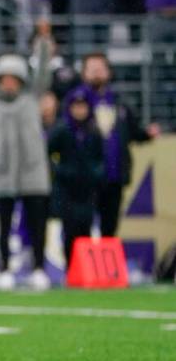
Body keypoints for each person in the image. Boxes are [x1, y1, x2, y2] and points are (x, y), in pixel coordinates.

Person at [0, 19, 53, 289]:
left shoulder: (32, 98)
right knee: (3, 224)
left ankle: (39, 268)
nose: (8, 83)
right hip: (3, 172)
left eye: (14, 78)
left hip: (33, 171)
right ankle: (4, 269)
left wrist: (42, 42)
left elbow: (43, 73)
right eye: (3, 78)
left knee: (38, 223)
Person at [70, 53, 160, 237]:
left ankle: (105, 263)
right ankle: (83, 263)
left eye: (100, 68)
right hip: (84, 177)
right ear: (83, 73)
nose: (96, 73)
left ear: (109, 72)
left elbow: (133, 132)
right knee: (81, 224)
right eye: (91, 68)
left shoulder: (119, 102)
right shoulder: (76, 101)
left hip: (114, 174)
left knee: (110, 224)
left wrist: (147, 134)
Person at [48, 89, 104, 267]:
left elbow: (101, 157)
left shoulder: (94, 131)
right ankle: (70, 267)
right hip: (67, 190)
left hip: (87, 190)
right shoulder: (62, 129)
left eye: (83, 106)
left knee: (86, 228)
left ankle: (85, 268)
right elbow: (46, 152)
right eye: (76, 106)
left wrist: (95, 173)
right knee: (69, 228)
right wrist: (59, 171)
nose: (80, 111)